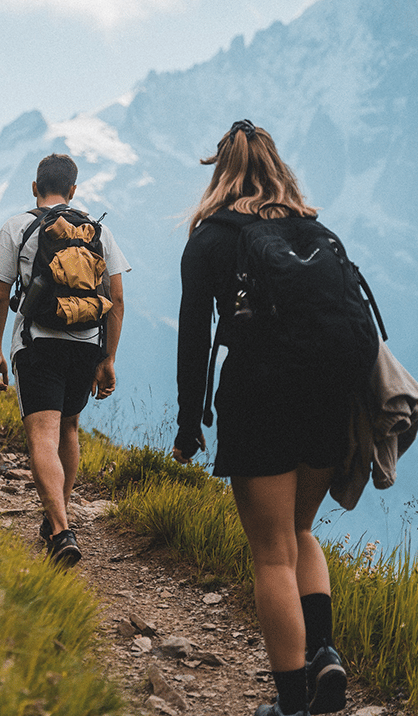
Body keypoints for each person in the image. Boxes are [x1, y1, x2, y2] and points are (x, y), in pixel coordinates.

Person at [173, 121, 350, 716]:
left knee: (271, 552)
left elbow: (194, 340)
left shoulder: (211, 239)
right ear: (278, 167)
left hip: (260, 398)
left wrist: (189, 422)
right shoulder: (313, 228)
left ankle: (291, 705)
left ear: (219, 171)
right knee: (302, 532)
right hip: (331, 397)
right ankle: (324, 652)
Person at [0, 153, 130, 566]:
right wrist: (108, 358)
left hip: (39, 342)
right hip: (86, 342)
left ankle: (62, 528)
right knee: (69, 427)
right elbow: (116, 299)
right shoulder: (98, 231)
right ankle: (56, 520)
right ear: (73, 190)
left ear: (35, 187)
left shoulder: (18, 225)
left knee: (41, 435)